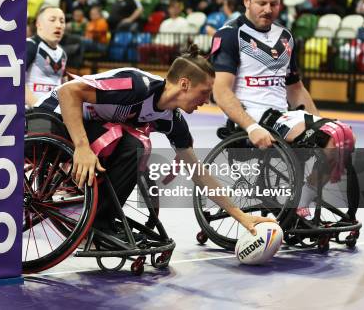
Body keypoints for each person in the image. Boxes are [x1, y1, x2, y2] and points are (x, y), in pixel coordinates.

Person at [34, 46, 275, 236]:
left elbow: (197, 171)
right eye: (204, 92)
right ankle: (96, 219)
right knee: (128, 142)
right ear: (184, 84)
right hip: (49, 118)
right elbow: (68, 92)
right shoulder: (136, 85)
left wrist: (239, 215)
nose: (206, 100)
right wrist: (82, 148)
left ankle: (99, 223)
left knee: (134, 146)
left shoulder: (172, 119)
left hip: (86, 128)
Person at [209, 0, 356, 218]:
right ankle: (300, 205)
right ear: (247, 1)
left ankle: (302, 198)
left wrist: (319, 122)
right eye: (261, 3)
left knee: (343, 136)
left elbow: (295, 88)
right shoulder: (228, 35)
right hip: (254, 118)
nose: (268, 9)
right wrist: (251, 127)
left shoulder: (285, 37)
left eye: (274, 4)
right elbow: (221, 91)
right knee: (332, 137)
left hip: (284, 117)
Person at [25, 6, 67, 108]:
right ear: (39, 24)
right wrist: (37, 107)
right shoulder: (30, 45)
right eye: (52, 20)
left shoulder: (63, 53)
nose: (58, 25)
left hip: (55, 113)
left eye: (62, 21)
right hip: (31, 112)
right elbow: (16, 81)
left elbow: (64, 84)